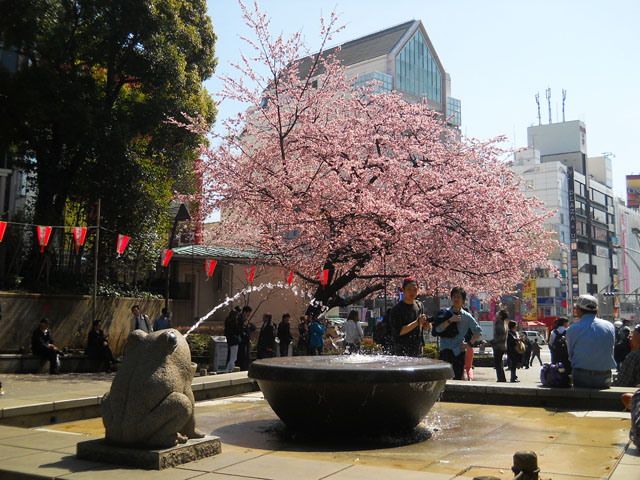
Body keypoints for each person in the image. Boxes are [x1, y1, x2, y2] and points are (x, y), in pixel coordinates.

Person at [567, 294, 616, 389]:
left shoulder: (573, 329)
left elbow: (571, 355)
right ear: (596, 310)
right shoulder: (609, 326)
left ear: (578, 310)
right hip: (605, 375)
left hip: (581, 375)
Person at [435, 286, 482, 379]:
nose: (456, 299)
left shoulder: (467, 316)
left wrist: (468, 344)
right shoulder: (444, 313)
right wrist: (450, 320)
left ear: (463, 300)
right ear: (451, 298)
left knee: (458, 378)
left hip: (459, 351)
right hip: (445, 349)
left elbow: (478, 332)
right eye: (454, 297)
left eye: (458, 297)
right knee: (443, 378)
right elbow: (438, 330)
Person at [389, 277, 431, 358]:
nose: (412, 292)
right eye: (409, 289)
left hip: (418, 349)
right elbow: (398, 331)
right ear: (403, 290)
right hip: (402, 351)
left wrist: (426, 326)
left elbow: (420, 326)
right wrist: (417, 322)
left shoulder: (419, 305)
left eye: (415, 289)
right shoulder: (397, 309)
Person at [487, 309, 508, 382]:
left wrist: (491, 342)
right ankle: (502, 378)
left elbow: (499, 337)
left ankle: (500, 378)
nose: (496, 314)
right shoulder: (504, 323)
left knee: (498, 363)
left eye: (498, 313)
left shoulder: (499, 324)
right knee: (500, 363)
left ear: (501, 316)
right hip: (503, 346)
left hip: (498, 346)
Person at [237, 306, 254, 370]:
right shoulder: (240, 319)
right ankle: (242, 368)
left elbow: (253, 327)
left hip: (246, 341)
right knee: (242, 356)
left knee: (246, 356)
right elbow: (241, 329)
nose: (249, 314)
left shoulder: (246, 319)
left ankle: (245, 367)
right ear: (244, 312)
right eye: (248, 312)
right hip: (242, 341)